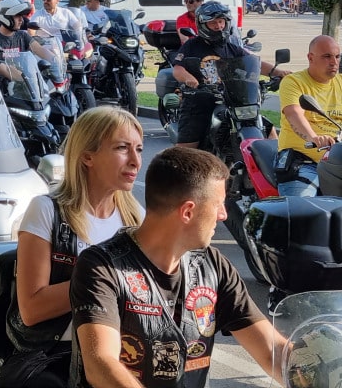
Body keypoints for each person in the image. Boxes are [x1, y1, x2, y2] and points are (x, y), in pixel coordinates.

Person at [69, 146, 287, 388]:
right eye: (219, 205)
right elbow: (101, 364)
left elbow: (272, 350)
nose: (223, 215)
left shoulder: (212, 265)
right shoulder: (102, 266)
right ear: (187, 211)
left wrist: (314, 366)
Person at [0, 107, 144, 388]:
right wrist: (103, 280)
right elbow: (31, 308)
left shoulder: (136, 217)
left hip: (123, 352)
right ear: (87, 156)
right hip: (55, 354)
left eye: (139, 149)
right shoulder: (47, 210)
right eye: (122, 148)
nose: (135, 161)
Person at [172, 1, 288, 150]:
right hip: (200, 101)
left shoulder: (231, 47)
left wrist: (278, 72)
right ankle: (179, 170)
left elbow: (254, 62)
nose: (218, 26)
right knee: (188, 148)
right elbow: (178, 68)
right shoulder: (192, 46)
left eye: (221, 22)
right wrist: (189, 79)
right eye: (213, 23)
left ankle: (272, 165)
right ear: (202, 25)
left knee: (267, 129)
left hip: (231, 100)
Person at [276, 34, 342, 196]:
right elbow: (294, 114)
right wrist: (313, 137)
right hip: (304, 161)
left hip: (336, 161)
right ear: (310, 58)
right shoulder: (293, 82)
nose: (334, 62)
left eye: (337, 56)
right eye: (327, 56)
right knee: (303, 211)